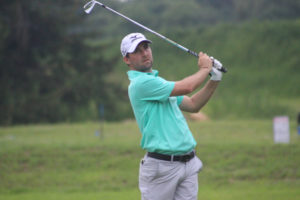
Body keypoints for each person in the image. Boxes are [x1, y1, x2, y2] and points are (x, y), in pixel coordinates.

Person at [120, 32, 223, 200]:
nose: (144, 53)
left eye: (146, 47)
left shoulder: (158, 82)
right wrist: (205, 68)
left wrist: (215, 78)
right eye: (137, 51)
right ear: (127, 59)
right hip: (161, 168)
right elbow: (188, 87)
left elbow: (193, 104)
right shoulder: (141, 84)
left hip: (188, 163)